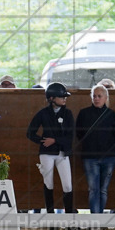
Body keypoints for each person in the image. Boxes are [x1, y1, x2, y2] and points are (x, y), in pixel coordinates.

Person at [27, 83, 75, 213]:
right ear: (52, 98)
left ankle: (70, 213)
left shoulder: (68, 114)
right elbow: (30, 133)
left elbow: (71, 135)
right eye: (61, 97)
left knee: (67, 184)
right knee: (48, 183)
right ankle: (50, 213)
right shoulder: (43, 114)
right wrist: (42, 141)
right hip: (47, 153)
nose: (65, 99)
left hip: (62, 152)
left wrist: (54, 140)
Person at [75, 84, 115, 214]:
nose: (96, 98)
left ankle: (100, 219)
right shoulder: (83, 113)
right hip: (90, 157)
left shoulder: (112, 115)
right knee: (94, 189)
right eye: (94, 96)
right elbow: (79, 133)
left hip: (109, 157)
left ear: (105, 97)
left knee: (103, 189)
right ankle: (96, 219)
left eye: (99, 96)